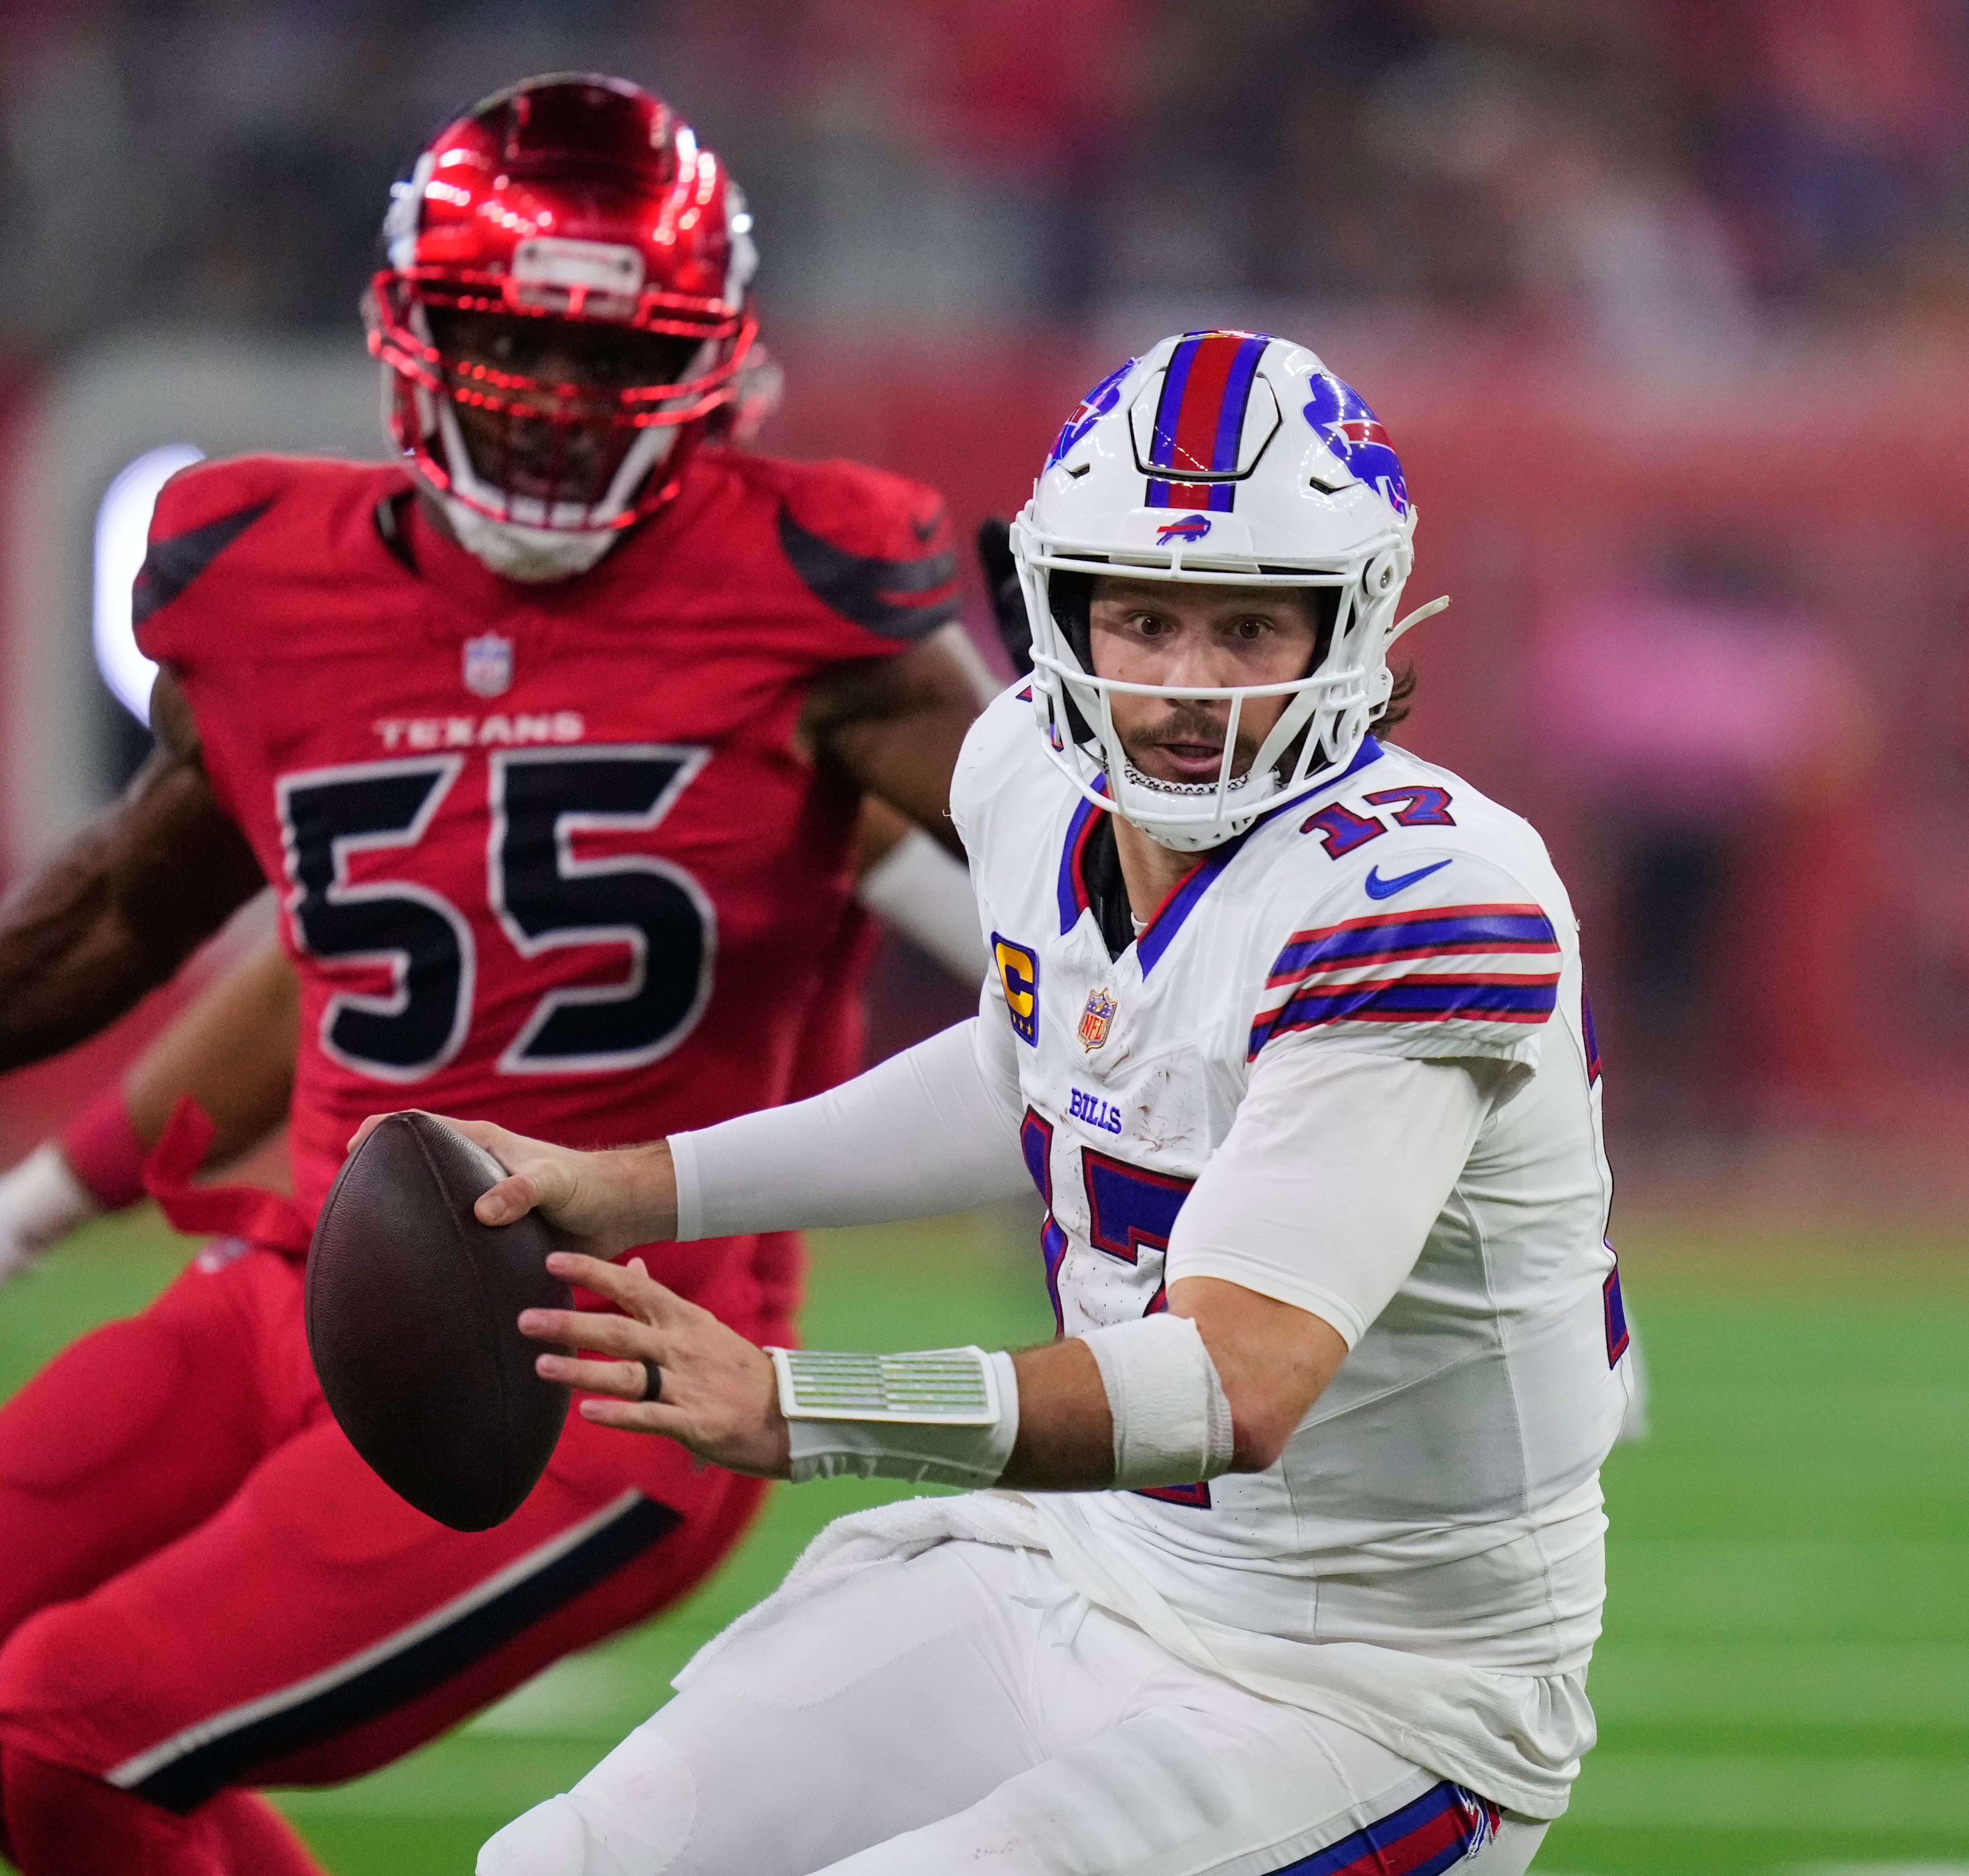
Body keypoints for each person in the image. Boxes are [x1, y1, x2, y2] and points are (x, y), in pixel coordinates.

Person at [0, 74, 993, 1876]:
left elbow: (1086, 891)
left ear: (714, 360)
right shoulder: (269, 578)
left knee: (81, 1732)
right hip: (310, 1276)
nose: (564, 411)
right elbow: (130, 910)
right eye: (516, 343)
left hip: (619, 1360)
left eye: (613, 357)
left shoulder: (806, 591)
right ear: (411, 331)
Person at [430, 330, 1628, 1876]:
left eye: (1247, 629)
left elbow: (1230, 1384)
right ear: (1060, 610)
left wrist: (800, 1406)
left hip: (1359, 1686)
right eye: (1141, 618)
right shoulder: (1023, 776)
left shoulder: (1422, 896)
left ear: (1350, 624)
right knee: (560, 1861)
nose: (1185, 689)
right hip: (1077, 1559)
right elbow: (1028, 1064)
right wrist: (637, 1184)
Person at [0, 798, 984, 1357]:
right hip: (345, 1259)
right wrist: (16, 1218)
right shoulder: (403, 663)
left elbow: (1055, 986)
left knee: (74, 1708)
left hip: (648, 1331)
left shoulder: (802, 688)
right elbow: (308, 977)